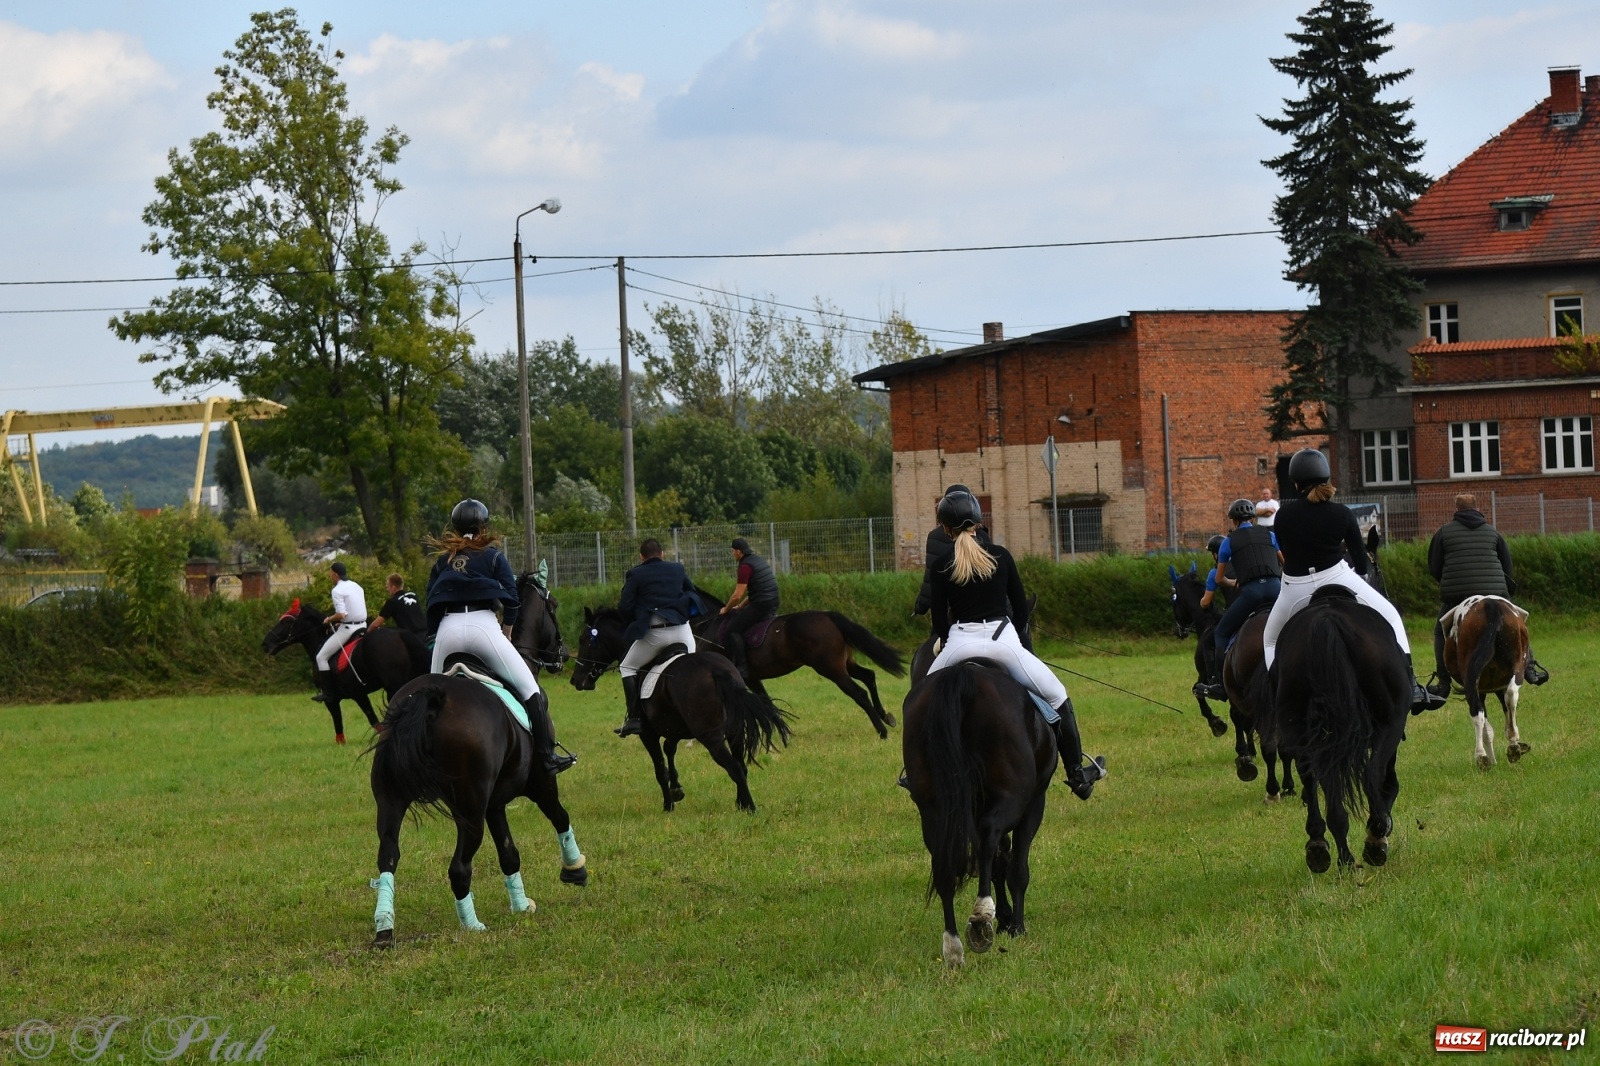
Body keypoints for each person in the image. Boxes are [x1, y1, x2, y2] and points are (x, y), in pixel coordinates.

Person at [926, 489, 1106, 800]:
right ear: (980, 523)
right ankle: (1077, 773)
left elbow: (939, 620)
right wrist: (1021, 643)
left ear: (945, 528)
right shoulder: (1002, 556)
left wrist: (945, 640)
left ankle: (918, 774)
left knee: (921, 700)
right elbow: (1021, 610)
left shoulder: (942, 563)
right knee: (1057, 695)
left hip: (959, 643)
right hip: (1002, 643)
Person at [1261, 450, 1445, 713]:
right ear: (1326, 477)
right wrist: (1357, 583)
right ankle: (1411, 685)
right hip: (1337, 576)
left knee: (1269, 640)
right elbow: (1360, 561)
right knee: (1392, 617)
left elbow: (1288, 554)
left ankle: (1278, 695)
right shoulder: (1342, 513)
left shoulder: (1282, 516)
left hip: (1296, 587)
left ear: (1296, 482)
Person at [425, 499, 575, 775]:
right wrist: (506, 632)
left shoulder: (443, 560)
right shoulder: (494, 556)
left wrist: (435, 634)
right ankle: (547, 756)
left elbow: (431, 601)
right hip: (484, 627)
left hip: (448, 630)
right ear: (484, 527)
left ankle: (422, 763)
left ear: (455, 528)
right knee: (531, 690)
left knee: (426, 697)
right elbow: (514, 601)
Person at [1424, 493, 1549, 698]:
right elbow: (1507, 566)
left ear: (1456, 509)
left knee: (1440, 630)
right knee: (1518, 623)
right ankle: (1530, 668)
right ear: (1477, 508)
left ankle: (1443, 682)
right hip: (1494, 590)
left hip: (1458, 595)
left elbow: (1434, 567)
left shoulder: (1443, 533)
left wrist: (1448, 583)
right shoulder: (1493, 532)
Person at [614, 538, 700, 738]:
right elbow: (692, 591)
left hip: (655, 634)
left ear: (641, 557)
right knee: (695, 669)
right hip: (682, 631)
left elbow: (624, 607)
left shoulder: (635, 573)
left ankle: (634, 718)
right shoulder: (677, 569)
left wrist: (633, 621)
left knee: (626, 667)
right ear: (662, 554)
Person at [1198, 499, 1283, 700]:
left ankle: (1220, 685)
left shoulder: (1228, 542)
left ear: (1234, 521)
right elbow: (1284, 563)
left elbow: (1219, 578)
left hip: (1251, 594)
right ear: (1253, 518)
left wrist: (1233, 582)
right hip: (1276, 589)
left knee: (1221, 633)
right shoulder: (1269, 535)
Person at [719, 537, 780, 683]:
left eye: (732, 551)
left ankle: (742, 666)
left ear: (739, 552)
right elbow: (756, 590)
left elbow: (737, 595)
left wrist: (726, 610)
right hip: (773, 601)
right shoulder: (757, 560)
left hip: (761, 605)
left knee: (732, 629)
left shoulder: (745, 567)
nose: (732, 553)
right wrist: (741, 607)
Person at [912, 483, 972, 620]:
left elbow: (930, 578)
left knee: (936, 638)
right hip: (982, 610)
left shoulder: (935, 536)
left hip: (948, 609)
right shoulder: (981, 535)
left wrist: (921, 606)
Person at [312, 561, 367, 705]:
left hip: (349, 629)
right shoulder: (356, 586)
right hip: (363, 625)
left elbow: (342, 614)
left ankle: (328, 692)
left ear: (335, 574)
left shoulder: (337, 590)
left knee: (321, 657)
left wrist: (328, 620)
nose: (330, 575)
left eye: (330, 573)